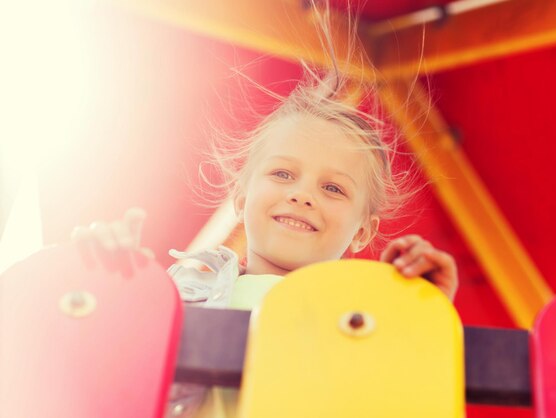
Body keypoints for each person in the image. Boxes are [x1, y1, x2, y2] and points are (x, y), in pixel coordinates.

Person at [72, 9, 458, 418]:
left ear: (364, 231)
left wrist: (422, 311)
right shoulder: (186, 292)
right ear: (241, 197)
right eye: (282, 173)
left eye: (332, 188)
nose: (301, 195)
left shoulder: (368, 318)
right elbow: (117, 384)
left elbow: (404, 401)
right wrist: (115, 289)